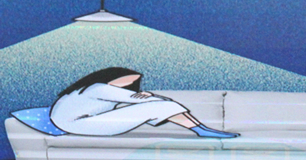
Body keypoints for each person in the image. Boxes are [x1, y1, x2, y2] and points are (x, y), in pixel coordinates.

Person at [49, 67, 238, 138]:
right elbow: (132, 99)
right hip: (78, 124)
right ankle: (201, 130)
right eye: (125, 81)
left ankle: (201, 129)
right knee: (160, 106)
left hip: (75, 122)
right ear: (112, 77)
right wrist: (152, 98)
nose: (128, 86)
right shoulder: (98, 88)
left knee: (158, 106)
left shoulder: (89, 89)